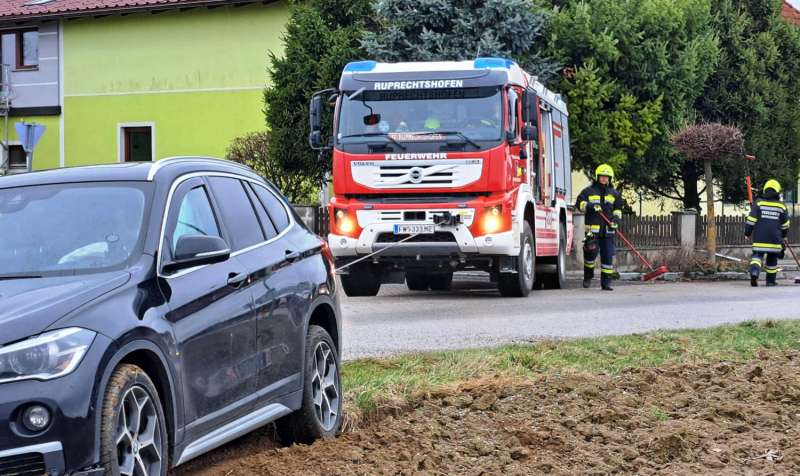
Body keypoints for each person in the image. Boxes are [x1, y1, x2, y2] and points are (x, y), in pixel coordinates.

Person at [575, 164, 624, 291]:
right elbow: (579, 204)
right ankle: (588, 276)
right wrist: (591, 206)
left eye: (606, 177)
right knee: (590, 255)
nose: (604, 179)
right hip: (592, 231)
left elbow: (618, 211)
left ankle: (606, 283)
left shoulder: (614, 194)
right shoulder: (588, 191)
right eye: (602, 176)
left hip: (608, 231)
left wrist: (615, 221)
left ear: (610, 178)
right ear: (597, 177)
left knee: (607, 257)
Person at [745, 179, 790, 287]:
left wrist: (747, 233)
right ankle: (770, 281)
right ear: (777, 191)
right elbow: (785, 224)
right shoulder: (781, 206)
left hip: (760, 238)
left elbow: (751, 220)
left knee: (757, 256)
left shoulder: (759, 203)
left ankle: (754, 272)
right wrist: (783, 236)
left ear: (765, 190)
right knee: (772, 259)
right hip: (774, 239)